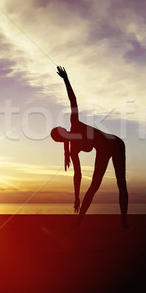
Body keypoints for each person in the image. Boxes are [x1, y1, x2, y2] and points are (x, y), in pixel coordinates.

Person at [50, 66, 129, 228]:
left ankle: (124, 221)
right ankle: (79, 221)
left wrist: (65, 79)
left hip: (116, 144)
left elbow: (73, 101)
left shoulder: (75, 124)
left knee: (121, 183)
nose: (63, 137)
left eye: (61, 133)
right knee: (94, 186)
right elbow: (77, 174)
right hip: (102, 150)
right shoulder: (73, 149)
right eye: (60, 139)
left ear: (64, 129)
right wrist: (76, 197)